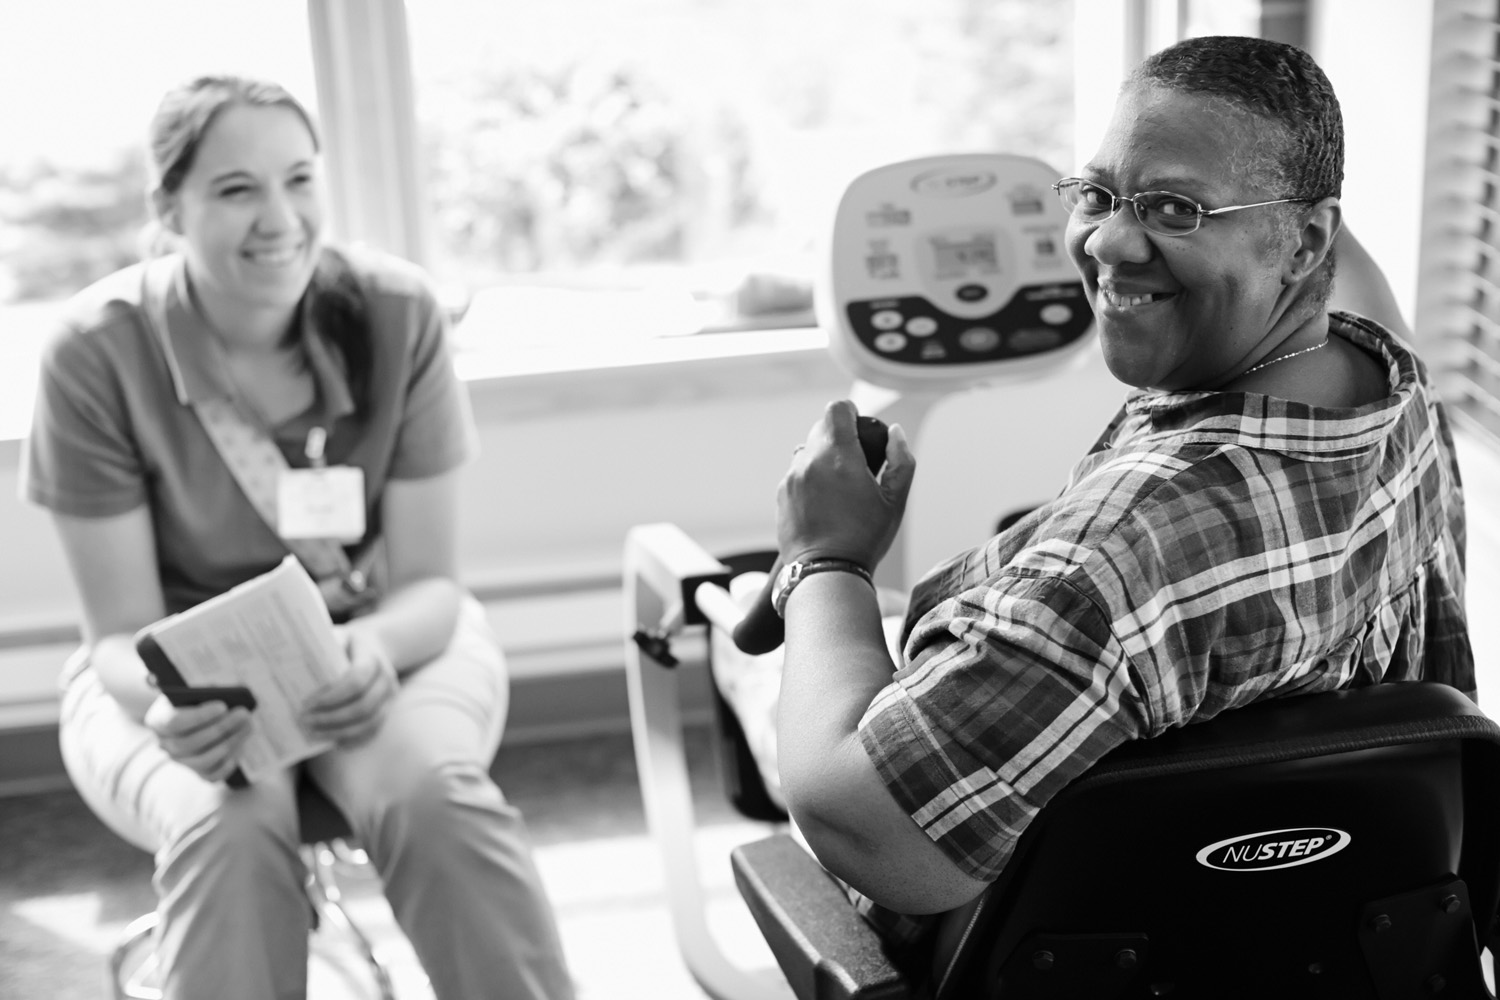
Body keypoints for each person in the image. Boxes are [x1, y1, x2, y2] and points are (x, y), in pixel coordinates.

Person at [715, 34, 1473, 962]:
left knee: (750, 658)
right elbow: (1340, 260)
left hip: (1037, 941)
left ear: (1306, 238)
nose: (1109, 242)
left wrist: (821, 558)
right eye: (1100, 194)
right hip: (1314, 944)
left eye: (1175, 208)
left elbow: (866, 831)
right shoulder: (1394, 393)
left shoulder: (1116, 557)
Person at [20, 76, 575, 1000]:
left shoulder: (400, 313)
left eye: (300, 179)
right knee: (230, 827)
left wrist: (367, 650)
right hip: (176, 684)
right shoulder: (95, 350)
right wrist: (171, 713)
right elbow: (117, 637)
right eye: (236, 189)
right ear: (168, 210)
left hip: (382, 641)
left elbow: (432, 587)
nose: (279, 218)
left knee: (434, 801)